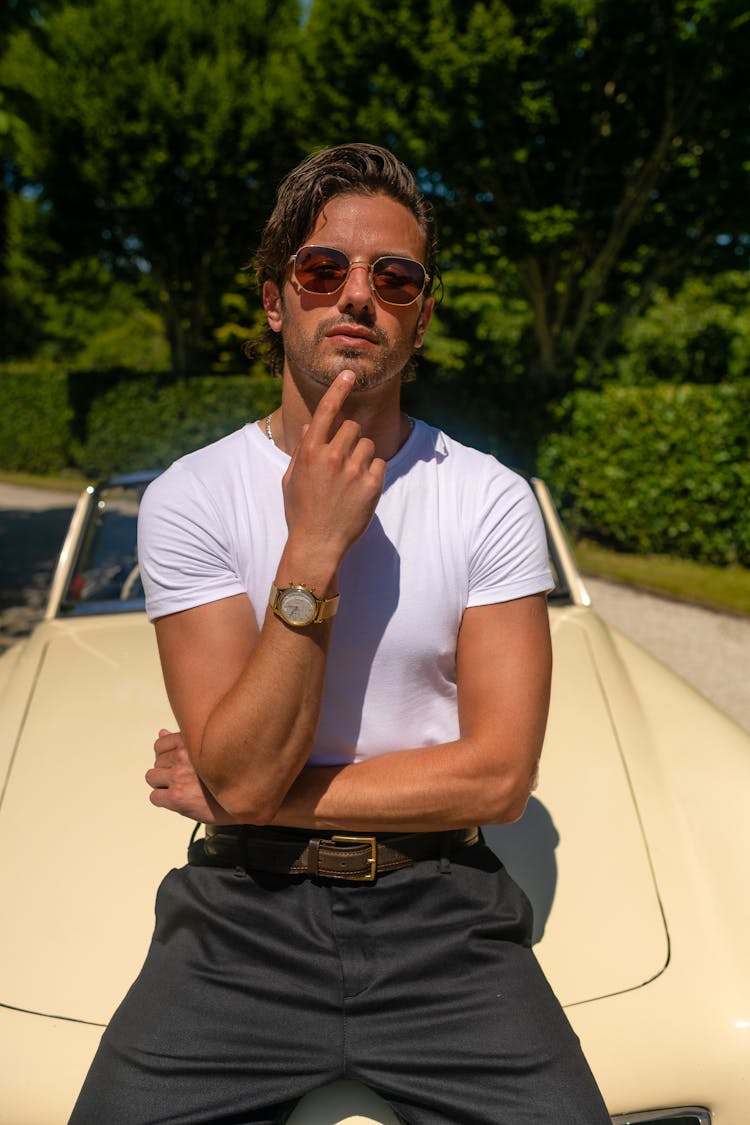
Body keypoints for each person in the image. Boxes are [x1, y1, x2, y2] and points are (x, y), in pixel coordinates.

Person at [69, 143, 610, 1125]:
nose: (358, 295)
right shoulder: (193, 496)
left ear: (421, 315)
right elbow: (238, 782)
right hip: (240, 918)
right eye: (325, 271)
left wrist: (250, 793)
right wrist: (313, 548)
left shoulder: (489, 499)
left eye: (393, 277)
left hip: (446, 915)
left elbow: (495, 779)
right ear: (277, 300)